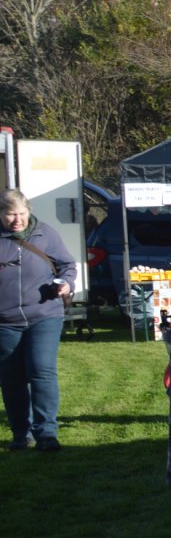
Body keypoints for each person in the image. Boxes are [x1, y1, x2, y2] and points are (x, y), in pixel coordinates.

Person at [1, 189, 76, 451]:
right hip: (5, 320)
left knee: (41, 370)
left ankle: (46, 433)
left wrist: (66, 283)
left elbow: (68, 264)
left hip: (44, 313)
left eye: (21, 214)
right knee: (12, 378)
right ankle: (21, 433)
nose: (17, 220)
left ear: (29, 211)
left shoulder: (45, 233)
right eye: (10, 214)